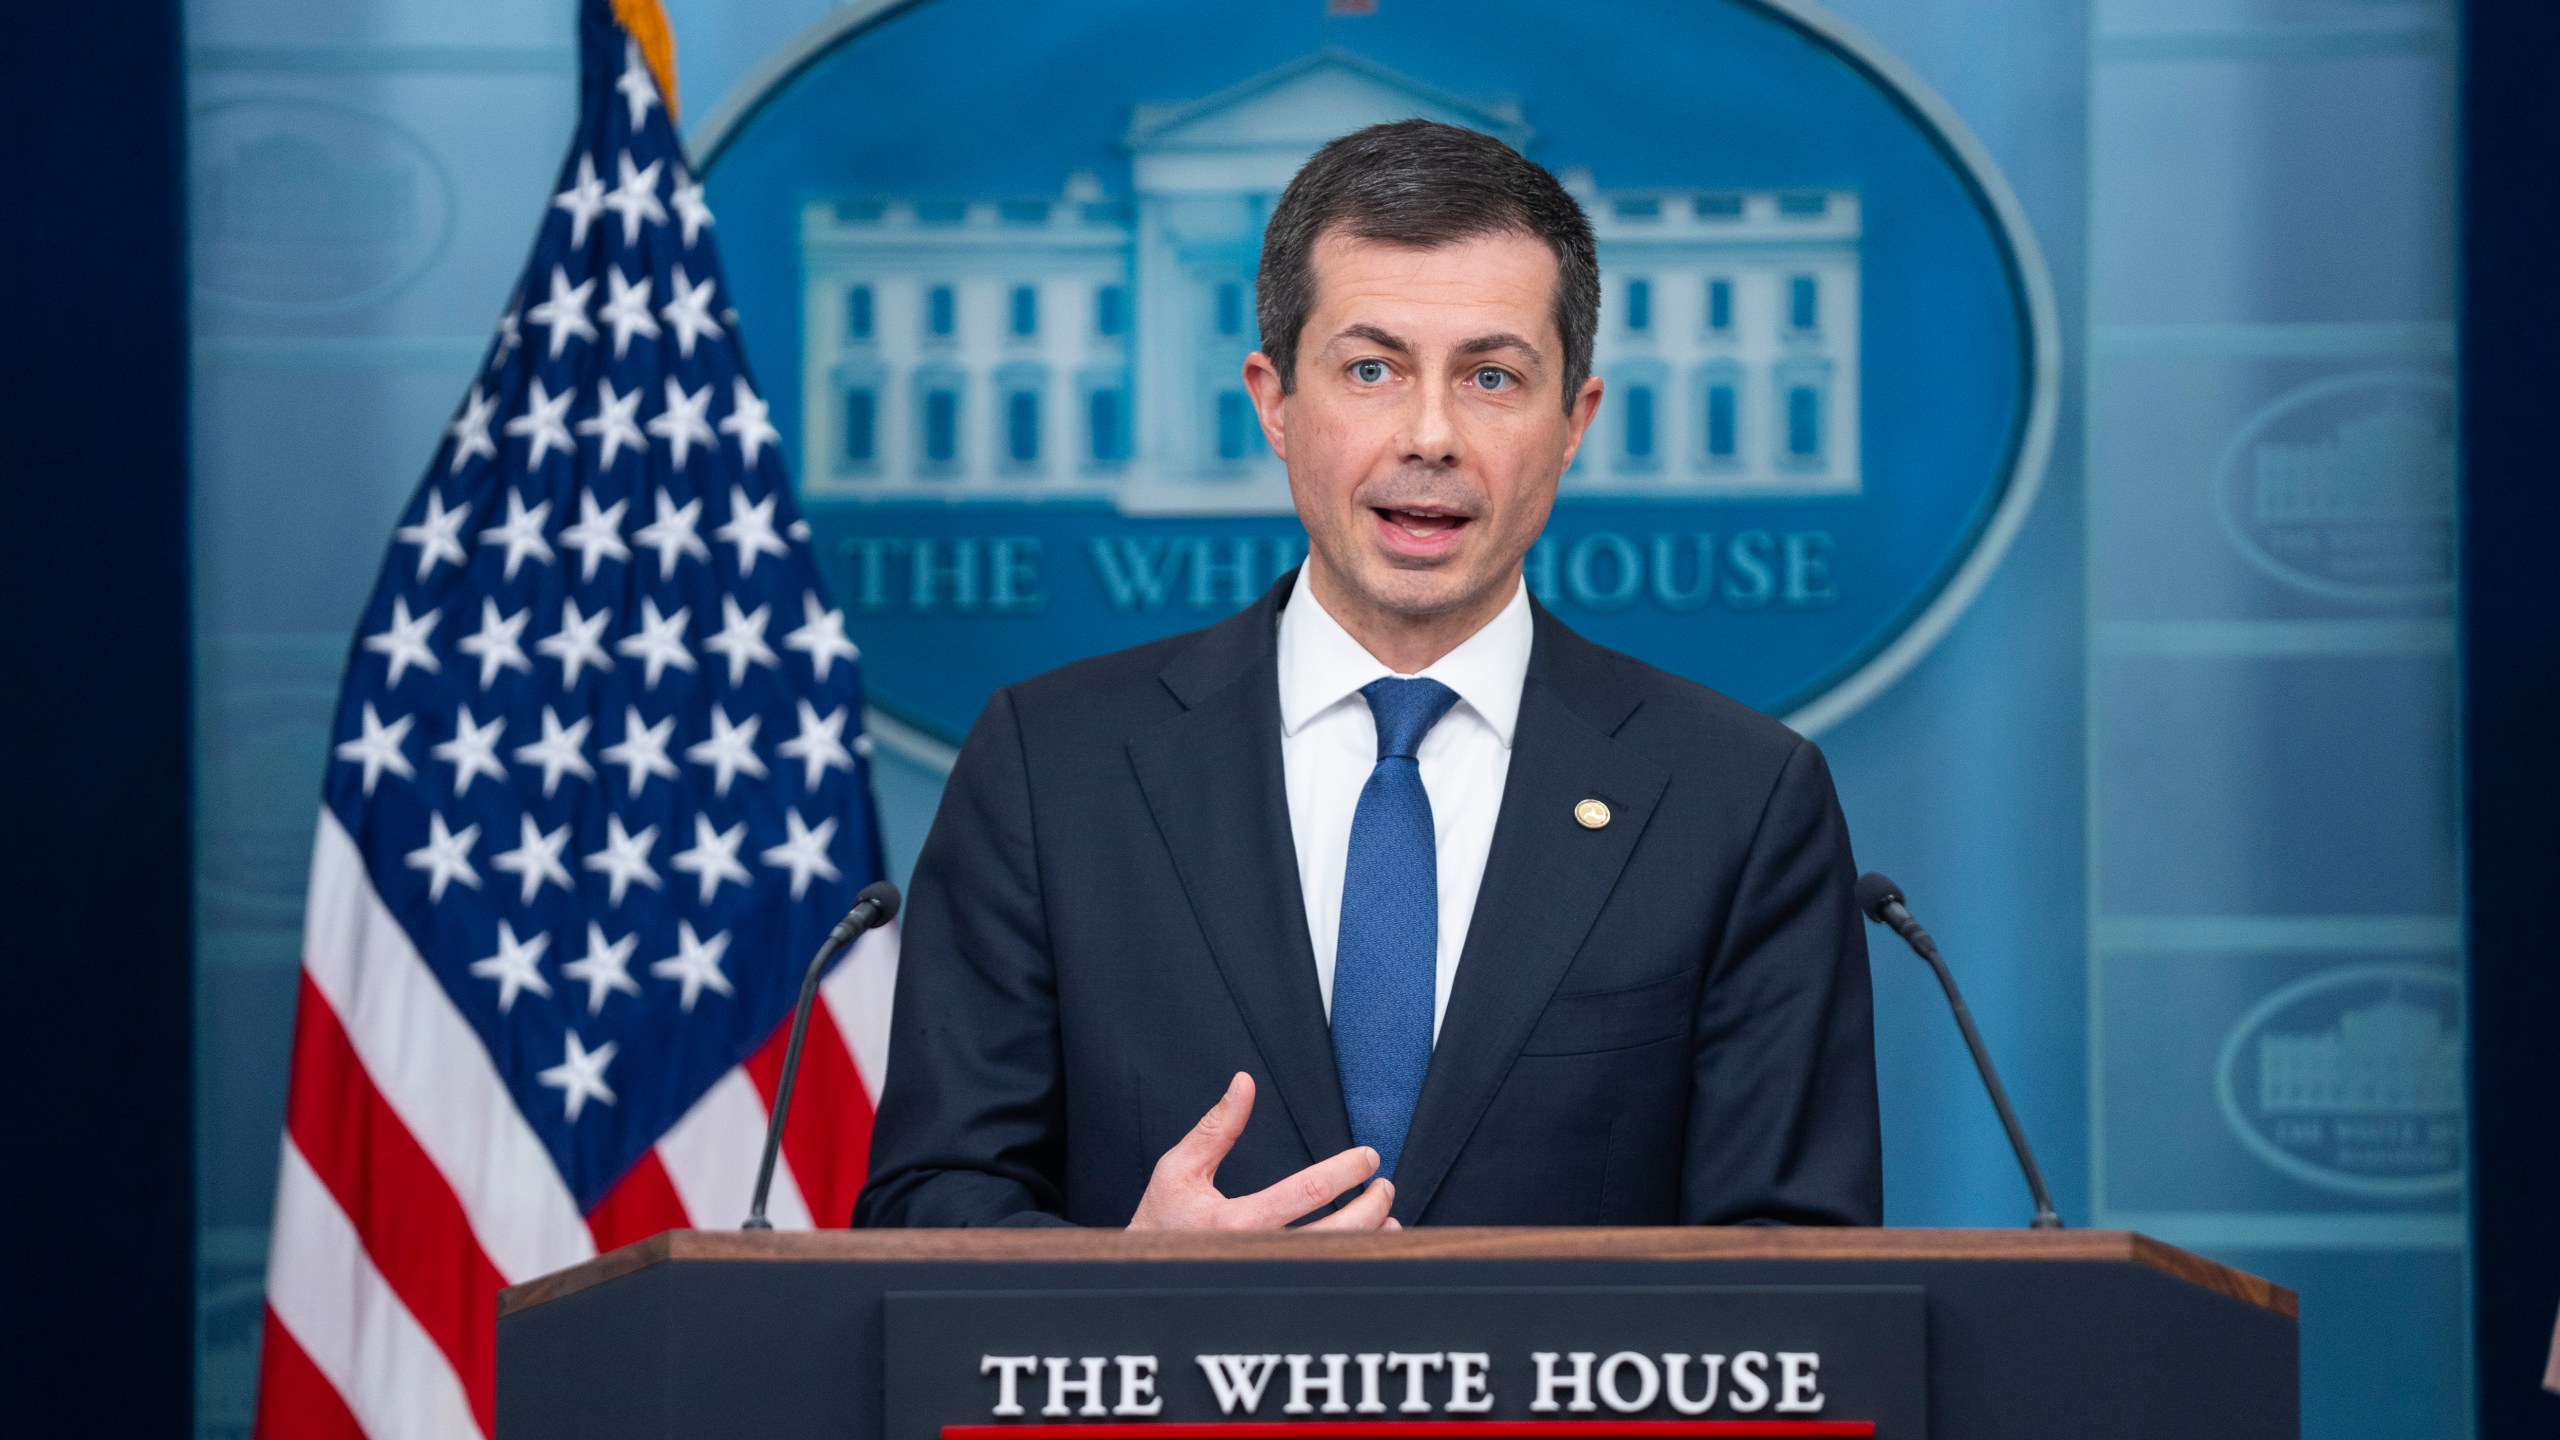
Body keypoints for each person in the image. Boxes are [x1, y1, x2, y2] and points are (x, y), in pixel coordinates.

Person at [854, 119, 1880, 1231]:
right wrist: (1123, 1287)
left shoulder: (1736, 801)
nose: (1429, 434)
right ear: (1275, 402)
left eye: (1491, 376)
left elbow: (1797, 1273)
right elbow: (930, 1209)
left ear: (1573, 419)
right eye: (1371, 369)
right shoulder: (1051, 770)